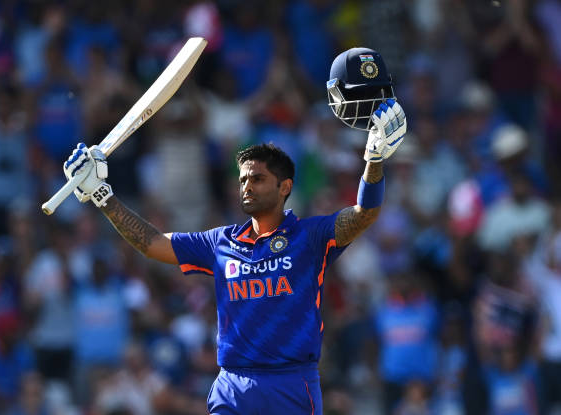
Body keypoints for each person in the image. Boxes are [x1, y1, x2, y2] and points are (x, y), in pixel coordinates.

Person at [60, 47, 406, 414]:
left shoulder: (311, 236)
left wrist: (374, 161)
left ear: (285, 187)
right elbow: (153, 244)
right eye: (243, 179)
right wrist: (103, 196)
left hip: (290, 383)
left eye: (258, 179)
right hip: (233, 386)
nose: (246, 187)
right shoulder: (219, 242)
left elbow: (365, 212)